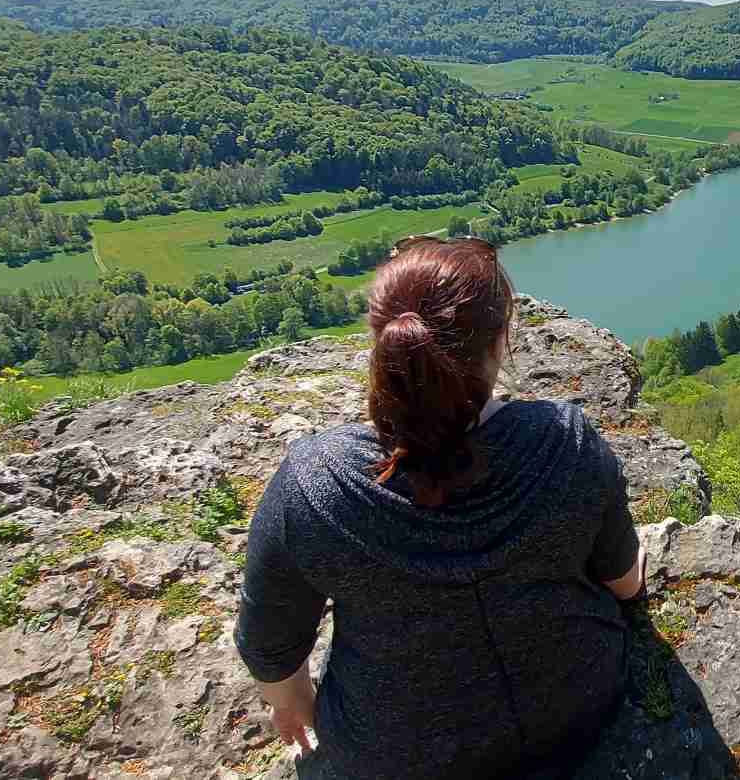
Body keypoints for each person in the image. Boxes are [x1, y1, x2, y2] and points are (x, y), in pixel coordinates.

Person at [234, 235, 645, 779]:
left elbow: (270, 649)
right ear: (501, 341)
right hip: (577, 715)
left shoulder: (313, 485)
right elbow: (626, 584)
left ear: (381, 343)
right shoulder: (565, 443)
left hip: (393, 758)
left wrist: (297, 708)